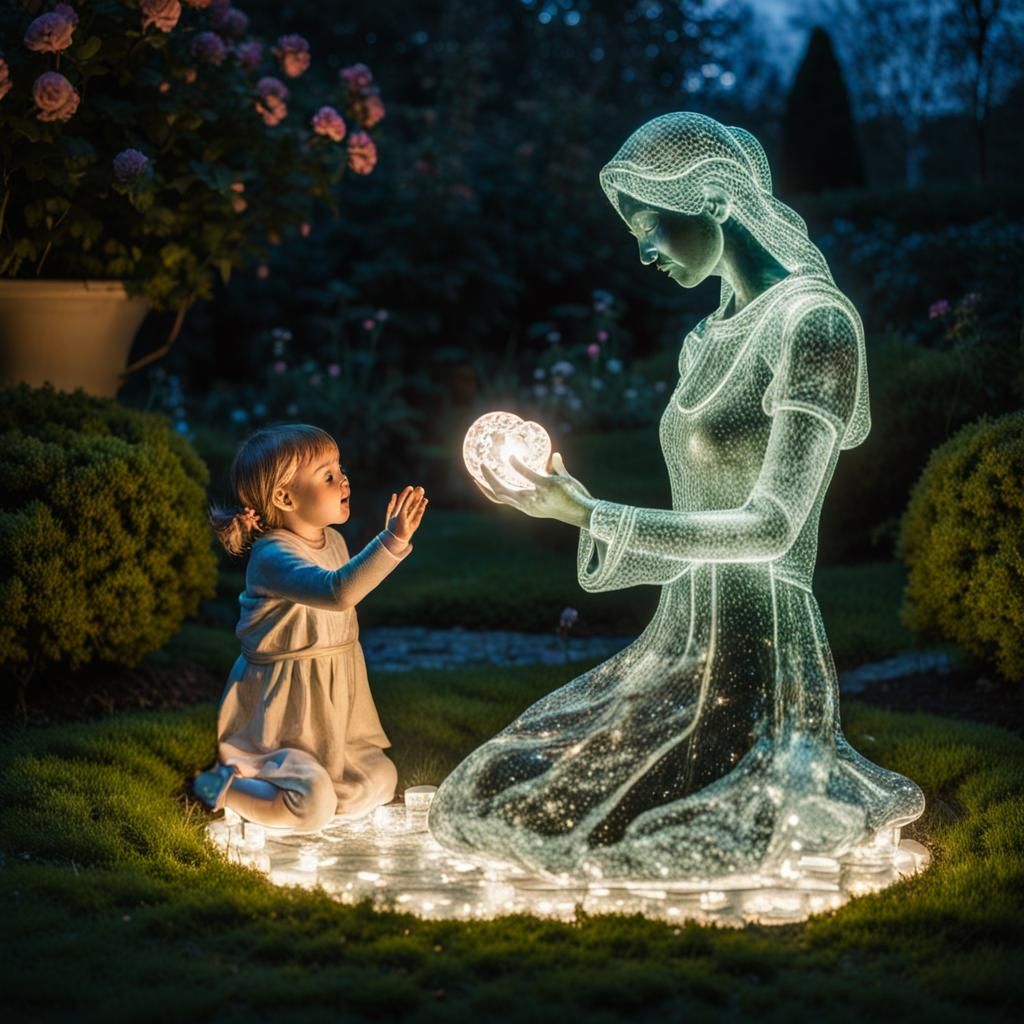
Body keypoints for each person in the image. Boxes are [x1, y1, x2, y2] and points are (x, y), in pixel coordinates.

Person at [427, 112, 926, 882]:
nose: (644, 251)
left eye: (649, 224)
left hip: (755, 656)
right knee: (489, 789)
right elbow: (697, 513)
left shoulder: (815, 324)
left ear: (718, 198)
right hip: (678, 642)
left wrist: (594, 516)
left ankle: (769, 766)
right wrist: (576, 505)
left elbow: (771, 526)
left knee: (640, 828)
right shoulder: (704, 340)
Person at [193, 423, 428, 832]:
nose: (343, 479)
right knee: (313, 805)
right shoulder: (272, 555)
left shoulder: (332, 541)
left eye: (340, 469)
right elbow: (337, 592)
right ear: (285, 496)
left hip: (331, 705)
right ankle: (222, 787)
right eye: (328, 475)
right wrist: (391, 541)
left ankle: (309, 789)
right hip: (282, 715)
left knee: (381, 779)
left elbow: (346, 588)